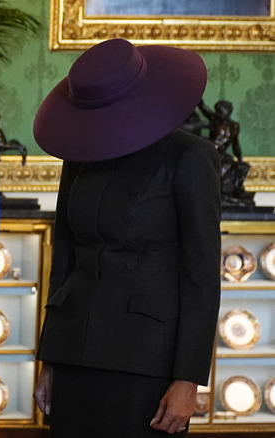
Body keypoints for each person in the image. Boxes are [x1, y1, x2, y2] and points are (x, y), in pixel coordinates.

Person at [32, 38, 221, 437]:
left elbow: (202, 277)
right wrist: (49, 359)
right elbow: (63, 257)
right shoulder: (78, 156)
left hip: (147, 359)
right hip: (74, 353)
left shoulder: (189, 157)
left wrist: (188, 379)